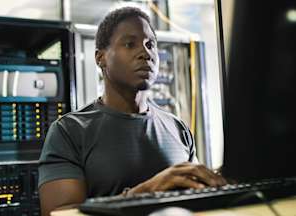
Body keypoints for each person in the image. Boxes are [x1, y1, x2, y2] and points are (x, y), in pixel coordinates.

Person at [38, 6, 226, 216]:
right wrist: (146, 191)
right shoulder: (69, 131)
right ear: (100, 58)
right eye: (130, 44)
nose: (145, 53)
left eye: (150, 45)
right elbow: (59, 214)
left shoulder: (177, 128)